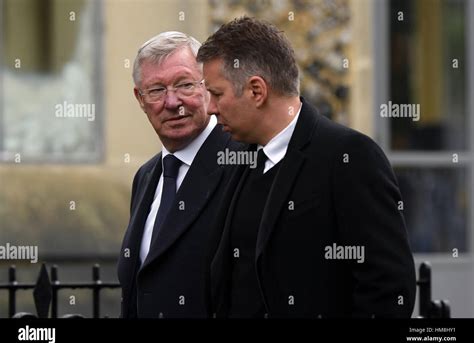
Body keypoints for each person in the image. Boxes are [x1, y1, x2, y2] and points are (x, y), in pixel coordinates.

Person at [197, 17, 416, 318]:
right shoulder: (239, 157)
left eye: (217, 94)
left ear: (256, 91)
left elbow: (388, 288)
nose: (209, 107)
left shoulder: (348, 156)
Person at [117, 31, 241, 318]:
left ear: (207, 87)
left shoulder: (243, 163)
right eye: (157, 90)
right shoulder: (147, 176)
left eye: (185, 85)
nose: (172, 102)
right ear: (140, 98)